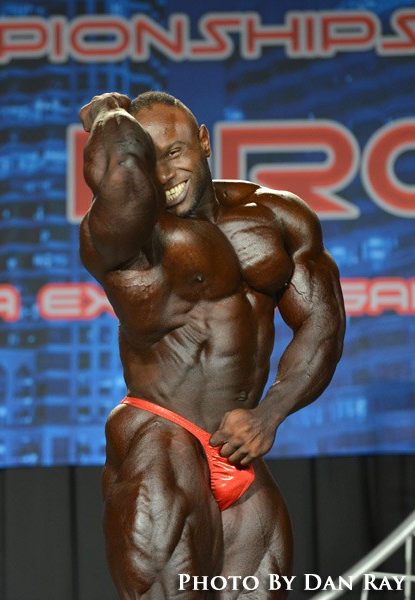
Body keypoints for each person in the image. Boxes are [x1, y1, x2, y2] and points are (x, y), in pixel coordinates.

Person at [78, 91, 345, 599]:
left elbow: (322, 324)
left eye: (174, 152)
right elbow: (121, 178)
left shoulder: (276, 217)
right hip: (161, 439)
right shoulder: (129, 239)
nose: (164, 174)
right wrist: (107, 116)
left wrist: (269, 414)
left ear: (203, 141)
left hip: (238, 453)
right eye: (150, 161)